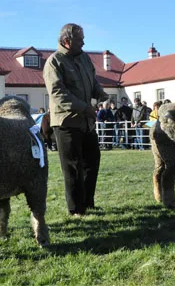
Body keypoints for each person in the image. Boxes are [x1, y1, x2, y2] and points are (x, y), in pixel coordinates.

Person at [43, 23, 109, 216]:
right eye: (80, 39)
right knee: (73, 167)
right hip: (66, 123)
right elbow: (57, 93)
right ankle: (76, 209)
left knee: (92, 161)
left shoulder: (84, 58)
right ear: (66, 41)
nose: (83, 42)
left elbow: (93, 81)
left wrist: (101, 94)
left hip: (86, 122)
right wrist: (84, 108)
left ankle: (88, 203)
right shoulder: (54, 62)